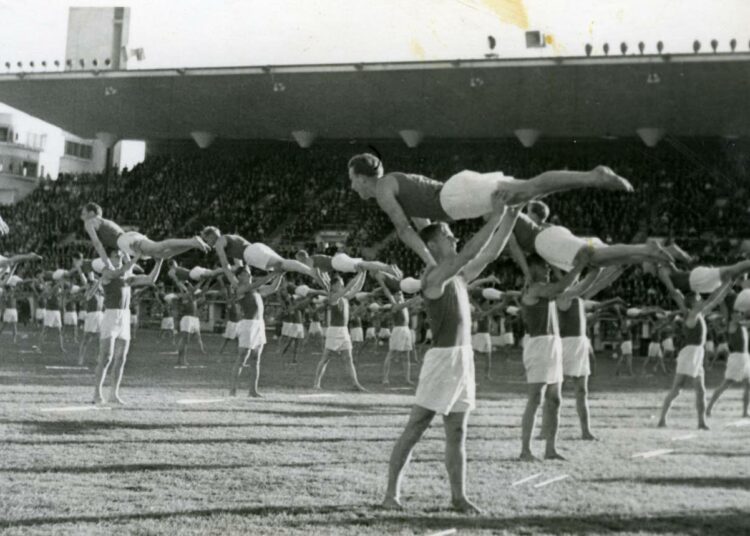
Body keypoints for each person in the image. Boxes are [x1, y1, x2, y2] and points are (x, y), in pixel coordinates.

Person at [383, 194, 518, 512]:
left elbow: (490, 252)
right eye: (448, 235)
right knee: (416, 427)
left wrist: (512, 214)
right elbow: (472, 250)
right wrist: (497, 215)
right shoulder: (434, 276)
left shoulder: (457, 275)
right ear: (434, 246)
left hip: (463, 359)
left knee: (458, 430)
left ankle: (459, 497)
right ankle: (391, 495)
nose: (455, 237)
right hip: (443, 359)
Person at [348, 153, 632, 266]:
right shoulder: (394, 184)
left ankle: (593, 176)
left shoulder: (384, 189)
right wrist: (437, 258)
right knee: (534, 189)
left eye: (352, 181)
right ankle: (591, 178)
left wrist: (432, 264)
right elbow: (423, 227)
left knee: (531, 187)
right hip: (457, 199)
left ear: (362, 178)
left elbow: (404, 229)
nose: (352, 188)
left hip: (456, 198)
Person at [519, 251, 591, 461]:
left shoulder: (545, 290)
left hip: (553, 343)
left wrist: (588, 269)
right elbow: (561, 287)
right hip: (539, 345)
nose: (549, 270)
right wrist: (580, 266)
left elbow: (570, 287)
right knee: (535, 399)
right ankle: (525, 449)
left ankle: (550, 449)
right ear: (533, 268)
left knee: (555, 400)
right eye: (545, 267)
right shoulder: (535, 289)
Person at [508, 202, 672, 279]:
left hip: (546, 241)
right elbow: (549, 258)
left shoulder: (507, 218)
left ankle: (644, 249)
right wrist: (559, 274)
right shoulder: (536, 222)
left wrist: (527, 274)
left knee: (596, 256)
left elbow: (515, 248)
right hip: (554, 238)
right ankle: (645, 255)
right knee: (598, 260)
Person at [658, 280, 734, 429]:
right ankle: (662, 420)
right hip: (690, 353)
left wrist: (728, 285)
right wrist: (724, 283)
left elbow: (716, 300)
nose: (701, 300)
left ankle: (701, 422)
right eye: (698, 298)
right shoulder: (692, 313)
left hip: (696, 353)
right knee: (677, 389)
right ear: (694, 302)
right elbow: (712, 299)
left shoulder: (698, 314)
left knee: (700, 391)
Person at [92, 252, 163, 404]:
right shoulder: (107, 273)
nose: (119, 259)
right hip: (111, 316)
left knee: (121, 358)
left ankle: (114, 394)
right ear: (109, 259)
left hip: (124, 317)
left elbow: (150, 280)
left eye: (120, 256)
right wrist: (135, 257)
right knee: (106, 357)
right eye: (116, 256)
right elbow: (120, 271)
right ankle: (96, 394)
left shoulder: (126, 277)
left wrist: (159, 261)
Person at [81, 202, 209, 270]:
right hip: (128, 239)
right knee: (163, 254)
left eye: (84, 213)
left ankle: (192, 241)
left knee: (159, 247)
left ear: (92, 213)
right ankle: (192, 245)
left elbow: (97, 244)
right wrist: (130, 263)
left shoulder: (90, 222)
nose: (82, 216)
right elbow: (121, 245)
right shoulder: (108, 223)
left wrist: (107, 263)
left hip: (126, 240)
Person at [199, 227, 321, 286]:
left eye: (206, 239)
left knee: (283, 265)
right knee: (283, 264)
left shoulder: (219, 242)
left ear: (211, 236)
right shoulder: (230, 239)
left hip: (250, 254)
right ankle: (310, 271)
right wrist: (215, 272)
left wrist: (234, 282)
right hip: (255, 247)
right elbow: (238, 266)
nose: (207, 243)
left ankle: (311, 272)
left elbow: (225, 264)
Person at [229, 270, 283, 397]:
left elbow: (273, 287)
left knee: (256, 359)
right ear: (239, 276)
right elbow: (261, 282)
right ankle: (233, 390)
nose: (249, 275)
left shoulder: (256, 290)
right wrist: (274, 273)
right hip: (247, 324)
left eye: (249, 273)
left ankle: (253, 391)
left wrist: (280, 274)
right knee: (242, 356)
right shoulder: (241, 289)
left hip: (259, 324)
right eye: (246, 273)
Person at [313, 272, 368, 391]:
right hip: (334, 331)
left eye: (342, 285)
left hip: (344, 331)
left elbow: (357, 287)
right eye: (339, 285)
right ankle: (316, 384)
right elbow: (350, 286)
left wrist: (364, 273)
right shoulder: (333, 297)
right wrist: (359, 272)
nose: (342, 287)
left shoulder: (344, 297)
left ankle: (355, 384)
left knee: (348, 358)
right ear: (333, 286)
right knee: (326, 358)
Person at [706, 300, 750, 418]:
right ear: (732, 316)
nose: (740, 315)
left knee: (748, 386)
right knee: (725, 384)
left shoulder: (742, 325)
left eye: (740, 313)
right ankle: (708, 408)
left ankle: (745, 412)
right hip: (737, 358)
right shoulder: (733, 324)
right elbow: (732, 315)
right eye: (737, 314)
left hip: (745, 357)